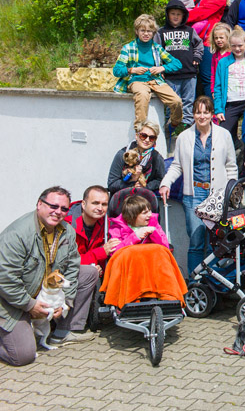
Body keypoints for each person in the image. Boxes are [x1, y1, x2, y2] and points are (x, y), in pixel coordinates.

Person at [0, 187, 99, 365]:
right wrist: (30, 305)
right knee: (23, 355)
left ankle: (65, 330)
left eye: (63, 209)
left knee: (88, 273)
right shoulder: (17, 235)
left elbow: (72, 266)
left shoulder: (66, 231)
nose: (58, 212)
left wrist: (66, 303)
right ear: (39, 204)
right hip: (11, 300)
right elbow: (5, 279)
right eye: (53, 206)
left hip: (41, 292)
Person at [160, 95, 238, 272]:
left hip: (217, 195)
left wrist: (231, 194)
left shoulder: (224, 135)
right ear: (193, 114)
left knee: (214, 242)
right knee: (196, 242)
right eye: (198, 112)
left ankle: (211, 283)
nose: (201, 116)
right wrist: (166, 183)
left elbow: (231, 166)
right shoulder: (184, 137)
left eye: (206, 112)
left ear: (212, 114)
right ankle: (195, 285)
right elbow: (177, 166)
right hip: (194, 194)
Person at [113, 13, 183, 133]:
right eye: (143, 30)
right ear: (137, 31)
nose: (146, 34)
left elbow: (177, 64)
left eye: (149, 31)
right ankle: (140, 131)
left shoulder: (157, 48)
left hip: (155, 80)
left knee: (176, 101)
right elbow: (117, 70)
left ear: (153, 33)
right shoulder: (128, 48)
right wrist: (132, 70)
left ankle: (174, 124)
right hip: (137, 80)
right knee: (143, 96)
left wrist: (162, 68)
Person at [213, 26, 245, 140]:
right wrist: (218, 109)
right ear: (229, 45)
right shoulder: (223, 63)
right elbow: (218, 88)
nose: (237, 48)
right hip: (232, 102)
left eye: (240, 45)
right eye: (234, 46)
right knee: (223, 133)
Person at [66, 186, 117, 272]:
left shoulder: (107, 224)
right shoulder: (68, 225)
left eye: (104, 204)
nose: (100, 208)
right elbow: (68, 261)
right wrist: (100, 253)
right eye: (95, 203)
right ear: (83, 204)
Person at [107, 121, 167, 194]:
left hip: (144, 199)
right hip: (122, 198)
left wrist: (145, 187)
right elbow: (112, 184)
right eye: (143, 136)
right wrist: (132, 184)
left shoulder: (157, 157)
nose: (147, 140)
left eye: (151, 138)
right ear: (136, 136)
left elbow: (161, 180)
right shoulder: (123, 154)